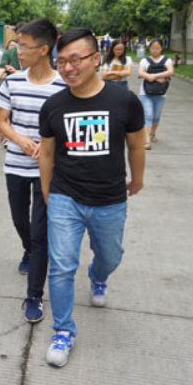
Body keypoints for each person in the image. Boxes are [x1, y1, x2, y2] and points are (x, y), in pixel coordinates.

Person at [38, 27, 145, 367]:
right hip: (65, 196)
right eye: (61, 62)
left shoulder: (124, 101)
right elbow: (47, 153)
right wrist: (47, 192)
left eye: (75, 60)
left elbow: (135, 145)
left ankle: (98, 276)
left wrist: (137, 179)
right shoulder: (53, 106)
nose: (68, 68)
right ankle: (63, 330)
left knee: (110, 257)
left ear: (96, 59)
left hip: (110, 198)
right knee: (61, 266)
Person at [0, 18, 67, 324]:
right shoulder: (13, 82)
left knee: (40, 233)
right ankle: (27, 249)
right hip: (16, 165)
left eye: (24, 46)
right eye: (18, 45)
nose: (18, 51)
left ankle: (34, 294)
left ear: (44, 49)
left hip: (49, 170)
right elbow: (1, 121)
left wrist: (50, 148)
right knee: (19, 220)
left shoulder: (64, 85)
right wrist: (20, 139)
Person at [137, 39, 174, 150]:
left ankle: (153, 132)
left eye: (157, 48)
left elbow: (171, 71)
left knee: (156, 116)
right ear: (150, 49)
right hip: (145, 92)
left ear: (161, 48)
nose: (155, 50)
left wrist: (154, 76)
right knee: (148, 115)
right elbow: (140, 73)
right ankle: (147, 140)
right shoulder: (145, 60)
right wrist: (155, 77)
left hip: (161, 93)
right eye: (153, 48)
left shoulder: (167, 60)